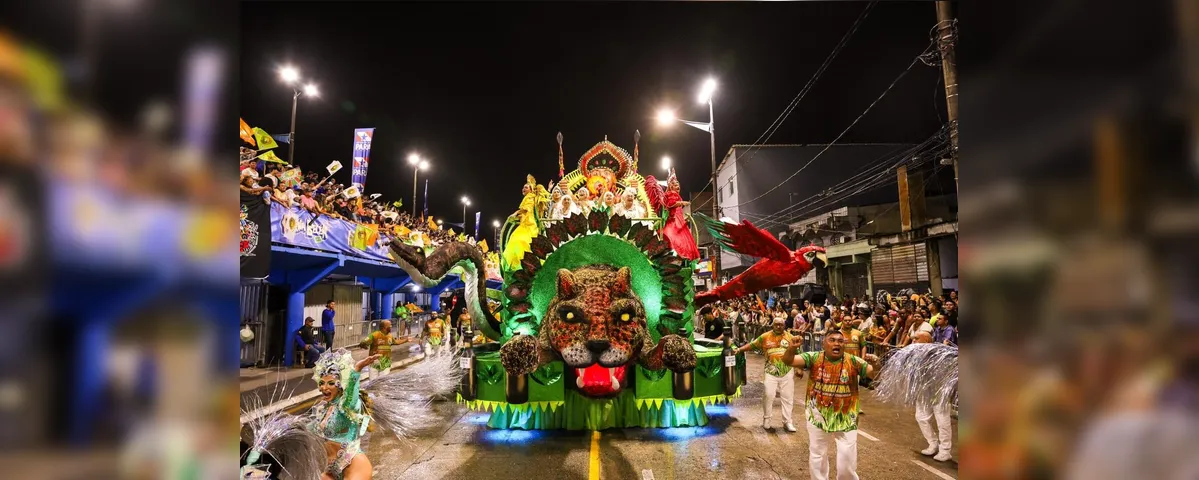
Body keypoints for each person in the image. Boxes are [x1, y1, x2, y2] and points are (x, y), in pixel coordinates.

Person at [782, 331, 879, 480]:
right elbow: (788, 361)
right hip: (817, 415)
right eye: (832, 340)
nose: (837, 344)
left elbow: (875, 376)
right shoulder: (813, 357)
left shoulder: (853, 361)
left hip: (847, 417)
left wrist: (876, 365)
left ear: (844, 345)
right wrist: (792, 348)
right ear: (823, 344)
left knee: (847, 456)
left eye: (840, 341)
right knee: (817, 454)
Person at [308, 349, 383, 480]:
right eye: (322, 383)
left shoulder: (345, 406)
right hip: (331, 469)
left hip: (354, 466)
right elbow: (307, 429)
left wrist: (357, 370)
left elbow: (350, 398)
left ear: (340, 386)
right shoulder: (323, 409)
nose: (324, 387)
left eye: (331, 383)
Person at [734, 317, 797, 432]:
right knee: (768, 395)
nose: (779, 326)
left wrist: (799, 368)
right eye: (776, 324)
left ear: (784, 326)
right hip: (770, 371)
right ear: (772, 325)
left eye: (781, 325)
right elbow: (752, 345)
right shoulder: (765, 336)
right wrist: (739, 350)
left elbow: (797, 353)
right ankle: (766, 419)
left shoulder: (791, 338)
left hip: (787, 371)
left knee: (788, 398)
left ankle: (787, 422)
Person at [909, 331, 954, 461]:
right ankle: (933, 443)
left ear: (927, 340)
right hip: (923, 389)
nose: (914, 341)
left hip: (938, 389)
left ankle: (945, 450)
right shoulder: (914, 353)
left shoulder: (940, 352)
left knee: (942, 419)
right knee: (921, 417)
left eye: (917, 339)